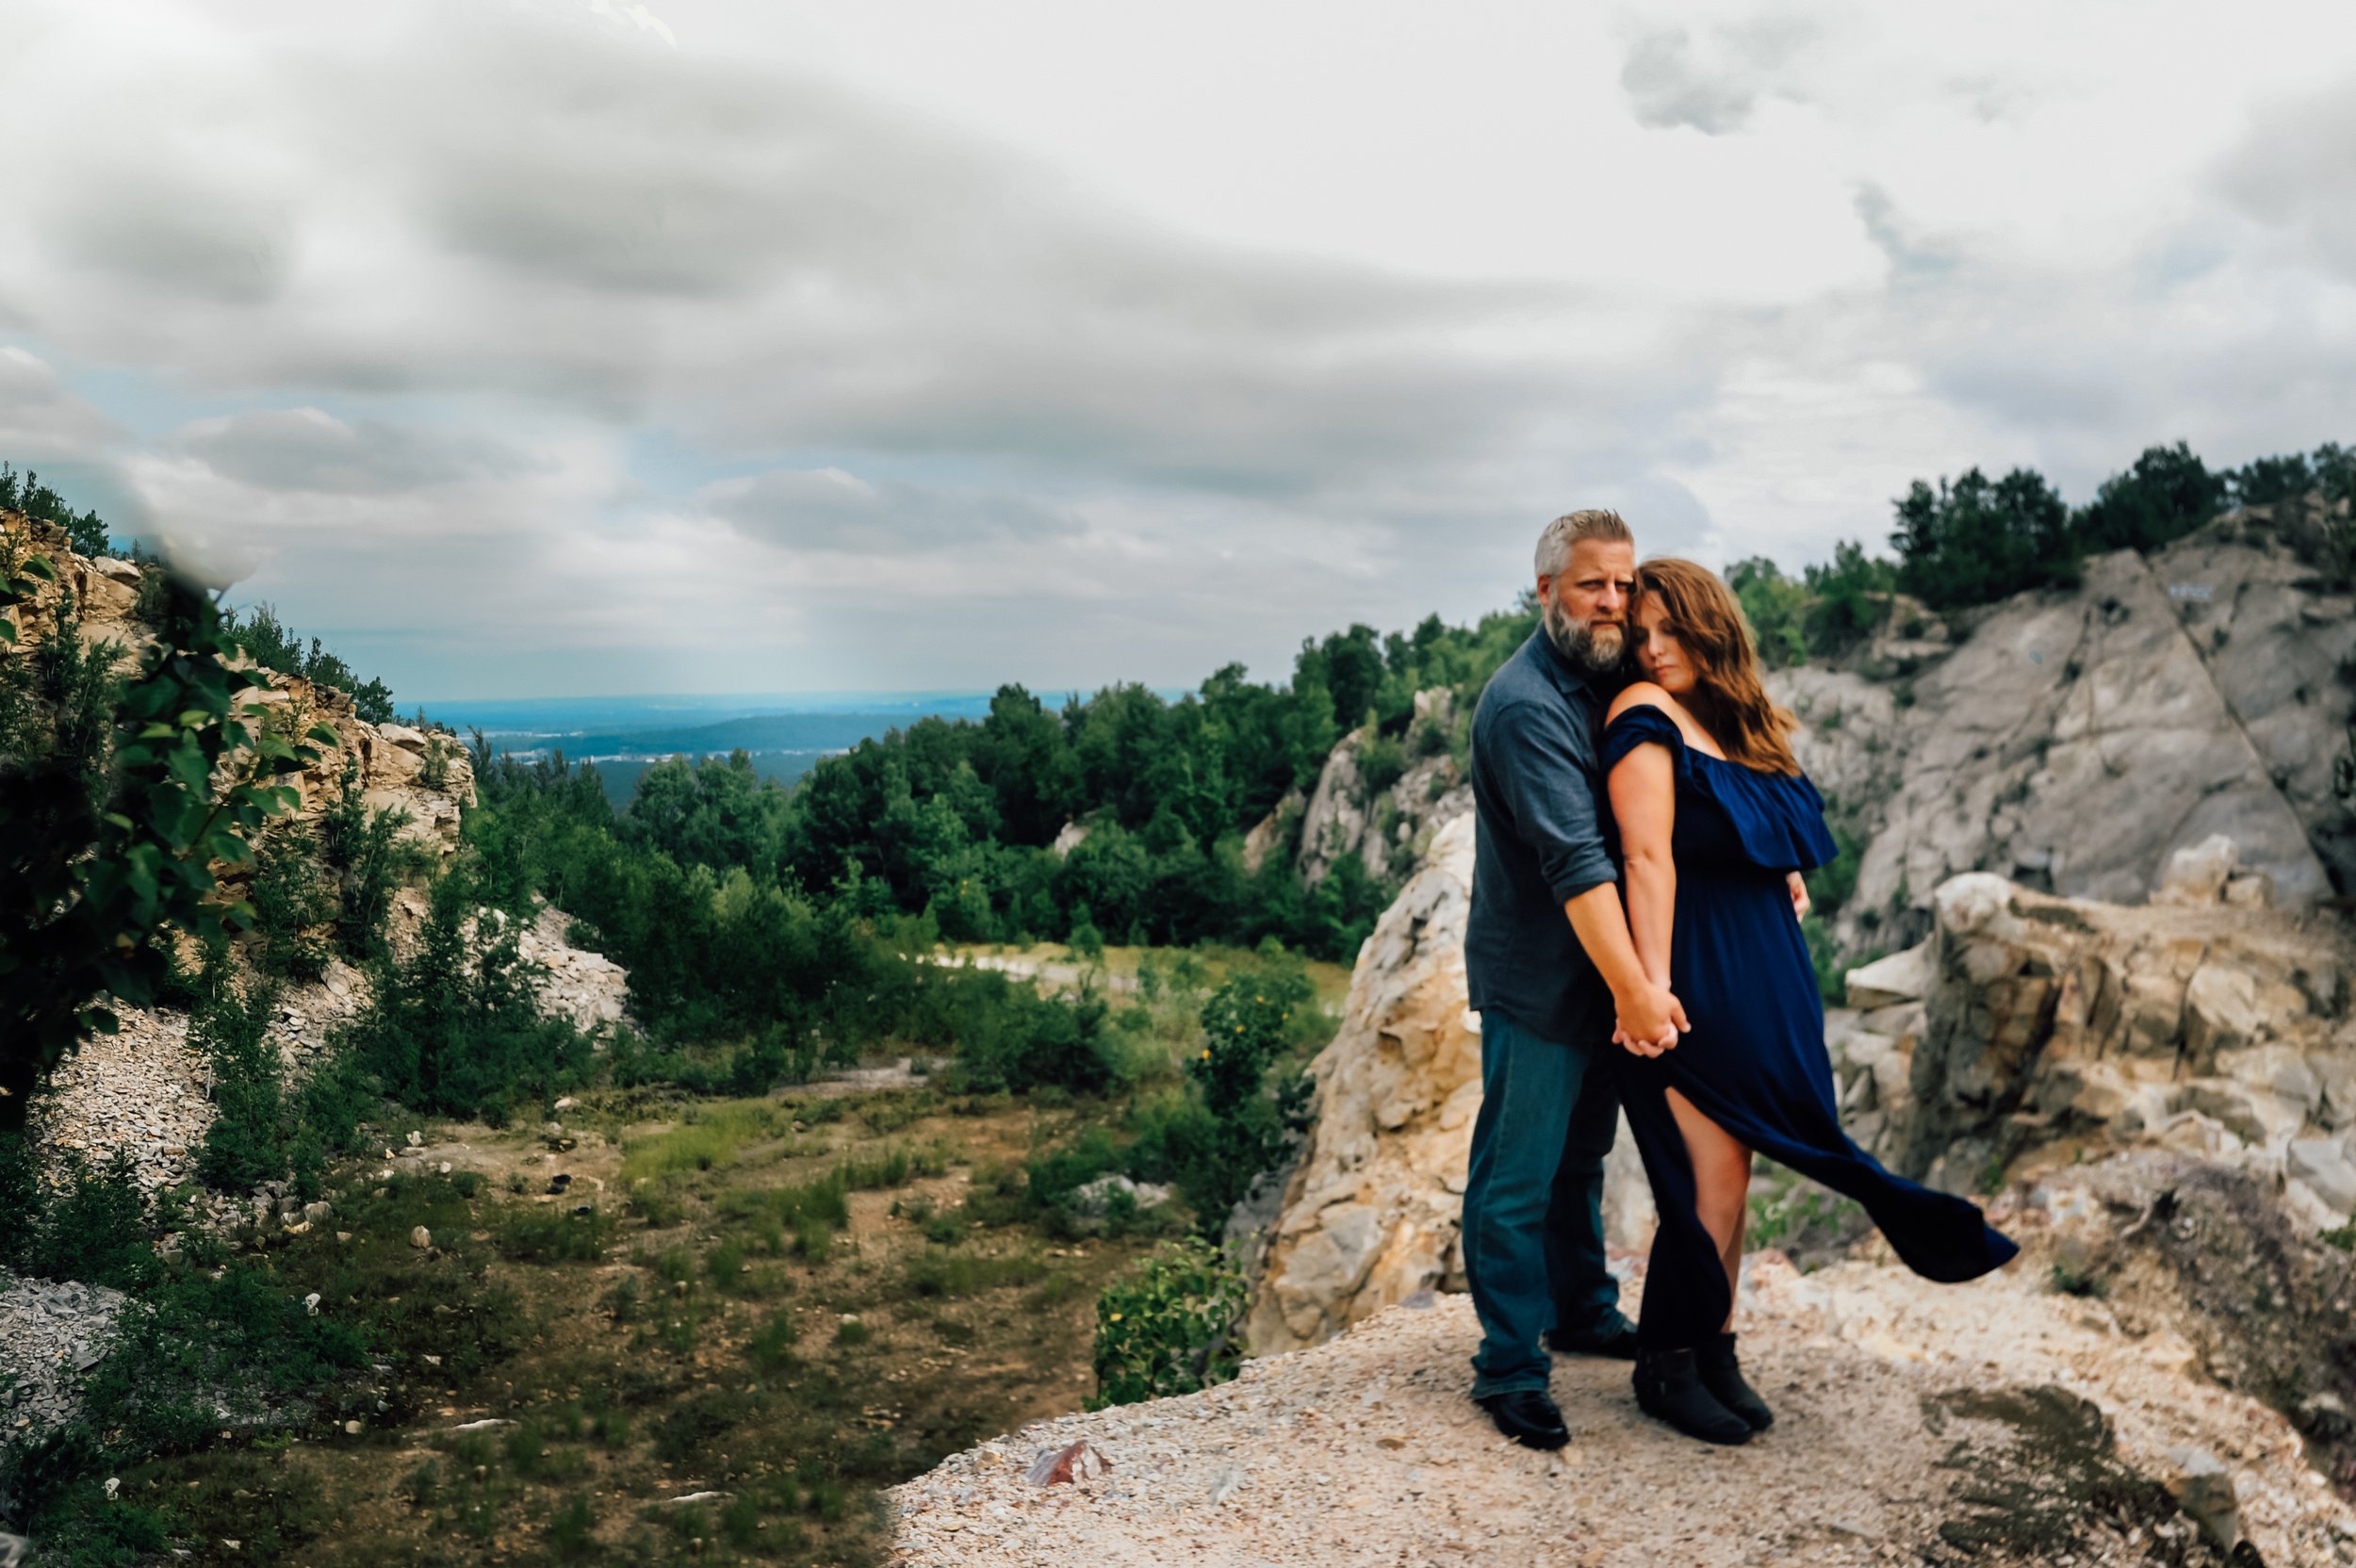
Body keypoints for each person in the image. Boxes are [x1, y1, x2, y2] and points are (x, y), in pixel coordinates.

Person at [1603, 558, 2018, 1446]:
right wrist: (1651, 988)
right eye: (1643, 633)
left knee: (1737, 1179)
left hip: (1767, 982)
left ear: (1713, 627)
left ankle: (1716, 1349)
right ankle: (1664, 1364)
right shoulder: (1639, 716)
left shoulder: (1731, 724)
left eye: (1671, 629)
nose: (1654, 646)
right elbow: (1647, 859)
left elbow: (1754, 830)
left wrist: (1776, 861)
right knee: (1706, 1185)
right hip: (1696, 981)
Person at [1460, 509, 1690, 1452]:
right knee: (1515, 1177)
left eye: (1624, 583)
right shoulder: (1525, 703)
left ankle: (1582, 1309)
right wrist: (1640, 990)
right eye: (1593, 583)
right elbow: (1578, 860)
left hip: (1596, 976)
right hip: (1537, 982)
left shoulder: (1604, 682)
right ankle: (1508, 1366)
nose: (1613, 601)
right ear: (1546, 589)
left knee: (1578, 1162)